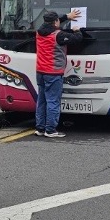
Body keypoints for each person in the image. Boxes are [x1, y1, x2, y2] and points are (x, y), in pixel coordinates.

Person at [35, 9, 83, 138]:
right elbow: (77, 39)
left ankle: (40, 128)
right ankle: (50, 130)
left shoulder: (39, 31)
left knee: (42, 101)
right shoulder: (58, 35)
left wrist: (67, 16)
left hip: (40, 72)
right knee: (53, 101)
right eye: (58, 21)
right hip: (53, 72)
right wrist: (77, 30)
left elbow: (54, 22)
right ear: (55, 22)